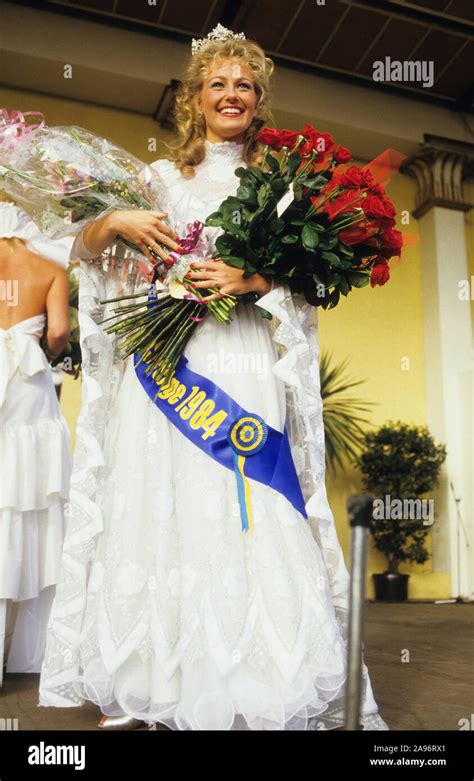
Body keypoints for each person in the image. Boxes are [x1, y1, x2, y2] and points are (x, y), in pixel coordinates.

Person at [39, 27, 388, 731]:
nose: (231, 94)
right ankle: (153, 680)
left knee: (243, 501)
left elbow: (310, 283)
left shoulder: (285, 184)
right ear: (194, 99)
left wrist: (249, 275)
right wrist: (118, 220)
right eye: (218, 83)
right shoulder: (159, 180)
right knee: (156, 499)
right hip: (168, 368)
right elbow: (87, 248)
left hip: (244, 357)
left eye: (245, 85)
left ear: (259, 101)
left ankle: (256, 680)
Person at [0, 203, 72, 685]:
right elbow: (61, 331)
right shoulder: (50, 268)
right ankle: (28, 654)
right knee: (24, 499)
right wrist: (50, 350)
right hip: (27, 384)